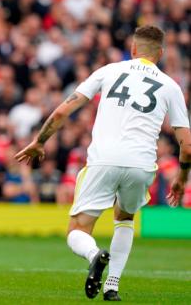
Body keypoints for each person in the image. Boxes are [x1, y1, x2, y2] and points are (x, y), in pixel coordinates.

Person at [15, 25, 191, 301]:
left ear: (133, 49)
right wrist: (181, 178)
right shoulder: (171, 86)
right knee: (125, 219)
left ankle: (94, 254)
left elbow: (64, 109)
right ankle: (112, 286)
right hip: (141, 164)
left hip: (103, 160)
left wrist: (39, 141)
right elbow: (187, 145)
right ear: (161, 53)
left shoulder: (108, 71)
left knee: (78, 230)